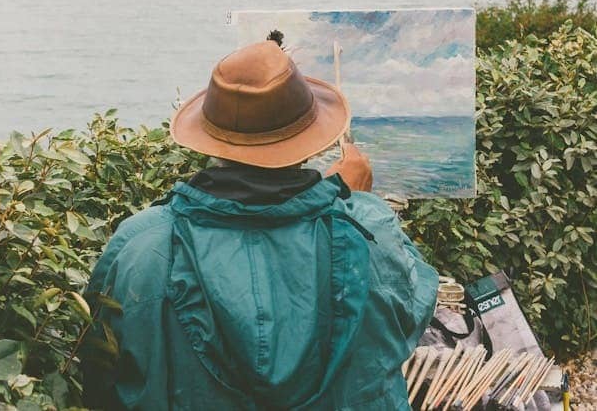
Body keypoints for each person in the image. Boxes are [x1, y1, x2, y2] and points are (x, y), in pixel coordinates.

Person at [83, 41, 439, 410]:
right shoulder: (368, 228)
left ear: (209, 139)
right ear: (311, 143)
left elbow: (99, 370)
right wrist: (355, 201)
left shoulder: (141, 242)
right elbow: (409, 318)